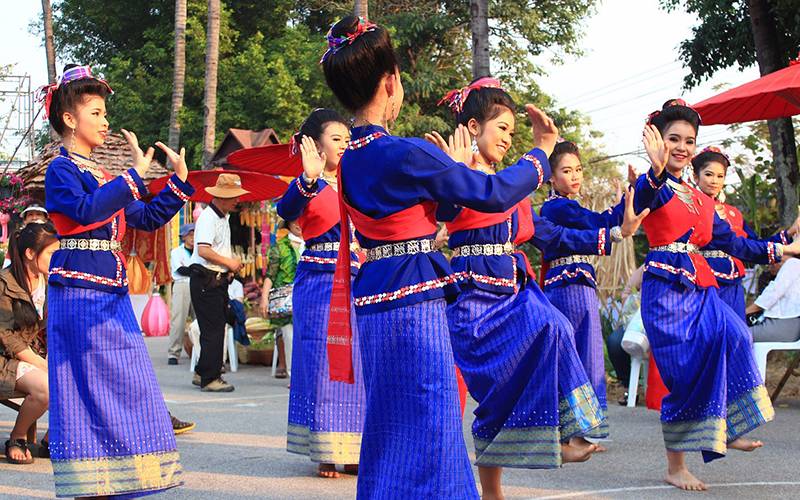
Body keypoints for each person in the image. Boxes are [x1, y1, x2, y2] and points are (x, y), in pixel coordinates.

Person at [322, 16, 556, 498]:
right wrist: (540, 155)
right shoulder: (406, 153)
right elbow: (491, 194)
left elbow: (428, 212)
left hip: (375, 296)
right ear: (391, 83)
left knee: (389, 424)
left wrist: (455, 169)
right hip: (414, 302)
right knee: (434, 423)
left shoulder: (350, 159)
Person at [431, 78, 650, 499]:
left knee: (555, 327)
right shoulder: (454, 171)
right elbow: (441, 212)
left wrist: (621, 228)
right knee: (495, 398)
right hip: (474, 298)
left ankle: (569, 433)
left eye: (514, 133)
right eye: (503, 129)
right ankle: (492, 490)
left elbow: (552, 235)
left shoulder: (511, 184)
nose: (509, 138)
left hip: (514, 292)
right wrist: (454, 169)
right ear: (473, 127)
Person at [42, 64, 193, 497]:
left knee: (124, 380)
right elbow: (85, 212)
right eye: (96, 111)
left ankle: (113, 475)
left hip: (108, 289)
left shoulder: (104, 177)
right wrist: (132, 177)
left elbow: (142, 218)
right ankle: (93, 481)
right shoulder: (62, 170)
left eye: (105, 112)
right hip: (78, 289)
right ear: (70, 119)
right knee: (88, 387)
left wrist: (177, 184)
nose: (105, 120)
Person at [634, 98, 800, 491]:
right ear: (658, 140)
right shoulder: (653, 184)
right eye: (673, 138)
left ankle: (734, 424)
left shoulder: (700, 198)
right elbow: (643, 199)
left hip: (701, 287)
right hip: (666, 293)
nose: (681, 146)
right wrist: (655, 169)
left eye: (688, 140)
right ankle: (676, 466)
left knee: (737, 334)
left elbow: (735, 243)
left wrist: (785, 247)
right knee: (683, 375)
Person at [277, 108, 365, 478]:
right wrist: (308, 178)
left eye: (348, 139)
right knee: (322, 360)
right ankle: (326, 450)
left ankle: (356, 446)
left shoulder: (357, 184)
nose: (344, 145)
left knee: (356, 362)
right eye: (336, 139)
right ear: (315, 145)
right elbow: (285, 209)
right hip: (318, 279)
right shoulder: (306, 184)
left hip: (358, 278)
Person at [540, 140, 632, 448]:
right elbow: (598, 223)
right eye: (566, 171)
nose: (575, 176)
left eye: (578, 169)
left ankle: (575, 431)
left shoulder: (563, 206)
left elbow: (598, 223)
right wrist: (626, 204)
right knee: (582, 354)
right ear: (551, 177)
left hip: (572, 283)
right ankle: (574, 432)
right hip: (571, 287)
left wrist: (627, 200)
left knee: (580, 354)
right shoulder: (558, 207)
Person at [690, 146, 798, 319]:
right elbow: (734, 245)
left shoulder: (733, 212)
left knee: (736, 335)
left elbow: (753, 244)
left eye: (720, 176)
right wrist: (787, 250)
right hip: (704, 281)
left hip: (734, 283)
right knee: (712, 334)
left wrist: (790, 232)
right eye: (708, 174)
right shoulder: (693, 207)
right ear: (696, 176)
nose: (714, 181)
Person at [0, 223, 57, 464]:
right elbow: (6, 336)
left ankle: (51, 440)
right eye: (52, 254)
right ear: (30, 254)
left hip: (32, 352)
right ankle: (18, 437)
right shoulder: (4, 283)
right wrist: (41, 363)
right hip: (6, 356)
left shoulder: (50, 282)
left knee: (84, 374)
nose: (57, 259)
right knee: (46, 385)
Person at [189, 174, 247, 392]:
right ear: (222, 197)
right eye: (233, 197)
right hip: (206, 277)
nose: (236, 201)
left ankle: (201, 370)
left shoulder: (223, 217)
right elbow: (203, 250)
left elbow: (218, 247)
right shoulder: (207, 218)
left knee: (214, 327)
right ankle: (210, 378)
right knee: (213, 330)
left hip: (217, 277)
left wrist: (228, 268)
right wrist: (229, 262)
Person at [259, 218, 303, 379]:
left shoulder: (313, 244)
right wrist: (264, 298)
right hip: (286, 301)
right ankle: (293, 376)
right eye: (294, 221)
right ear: (289, 225)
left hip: (307, 298)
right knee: (289, 335)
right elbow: (270, 275)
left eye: (301, 220)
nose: (298, 224)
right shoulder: (280, 247)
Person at [747, 257, 800, 343]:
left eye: (770, 263)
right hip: (788, 326)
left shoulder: (793, 263)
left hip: (784, 325)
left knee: (736, 335)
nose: (768, 266)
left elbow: (771, 295)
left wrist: (742, 313)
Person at [167, 223, 195, 364]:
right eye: (190, 234)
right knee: (178, 320)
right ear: (183, 237)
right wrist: (197, 270)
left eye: (194, 234)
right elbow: (181, 270)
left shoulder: (199, 251)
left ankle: (199, 351)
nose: (193, 237)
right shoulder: (176, 252)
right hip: (182, 284)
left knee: (199, 320)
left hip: (197, 284)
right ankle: (174, 352)